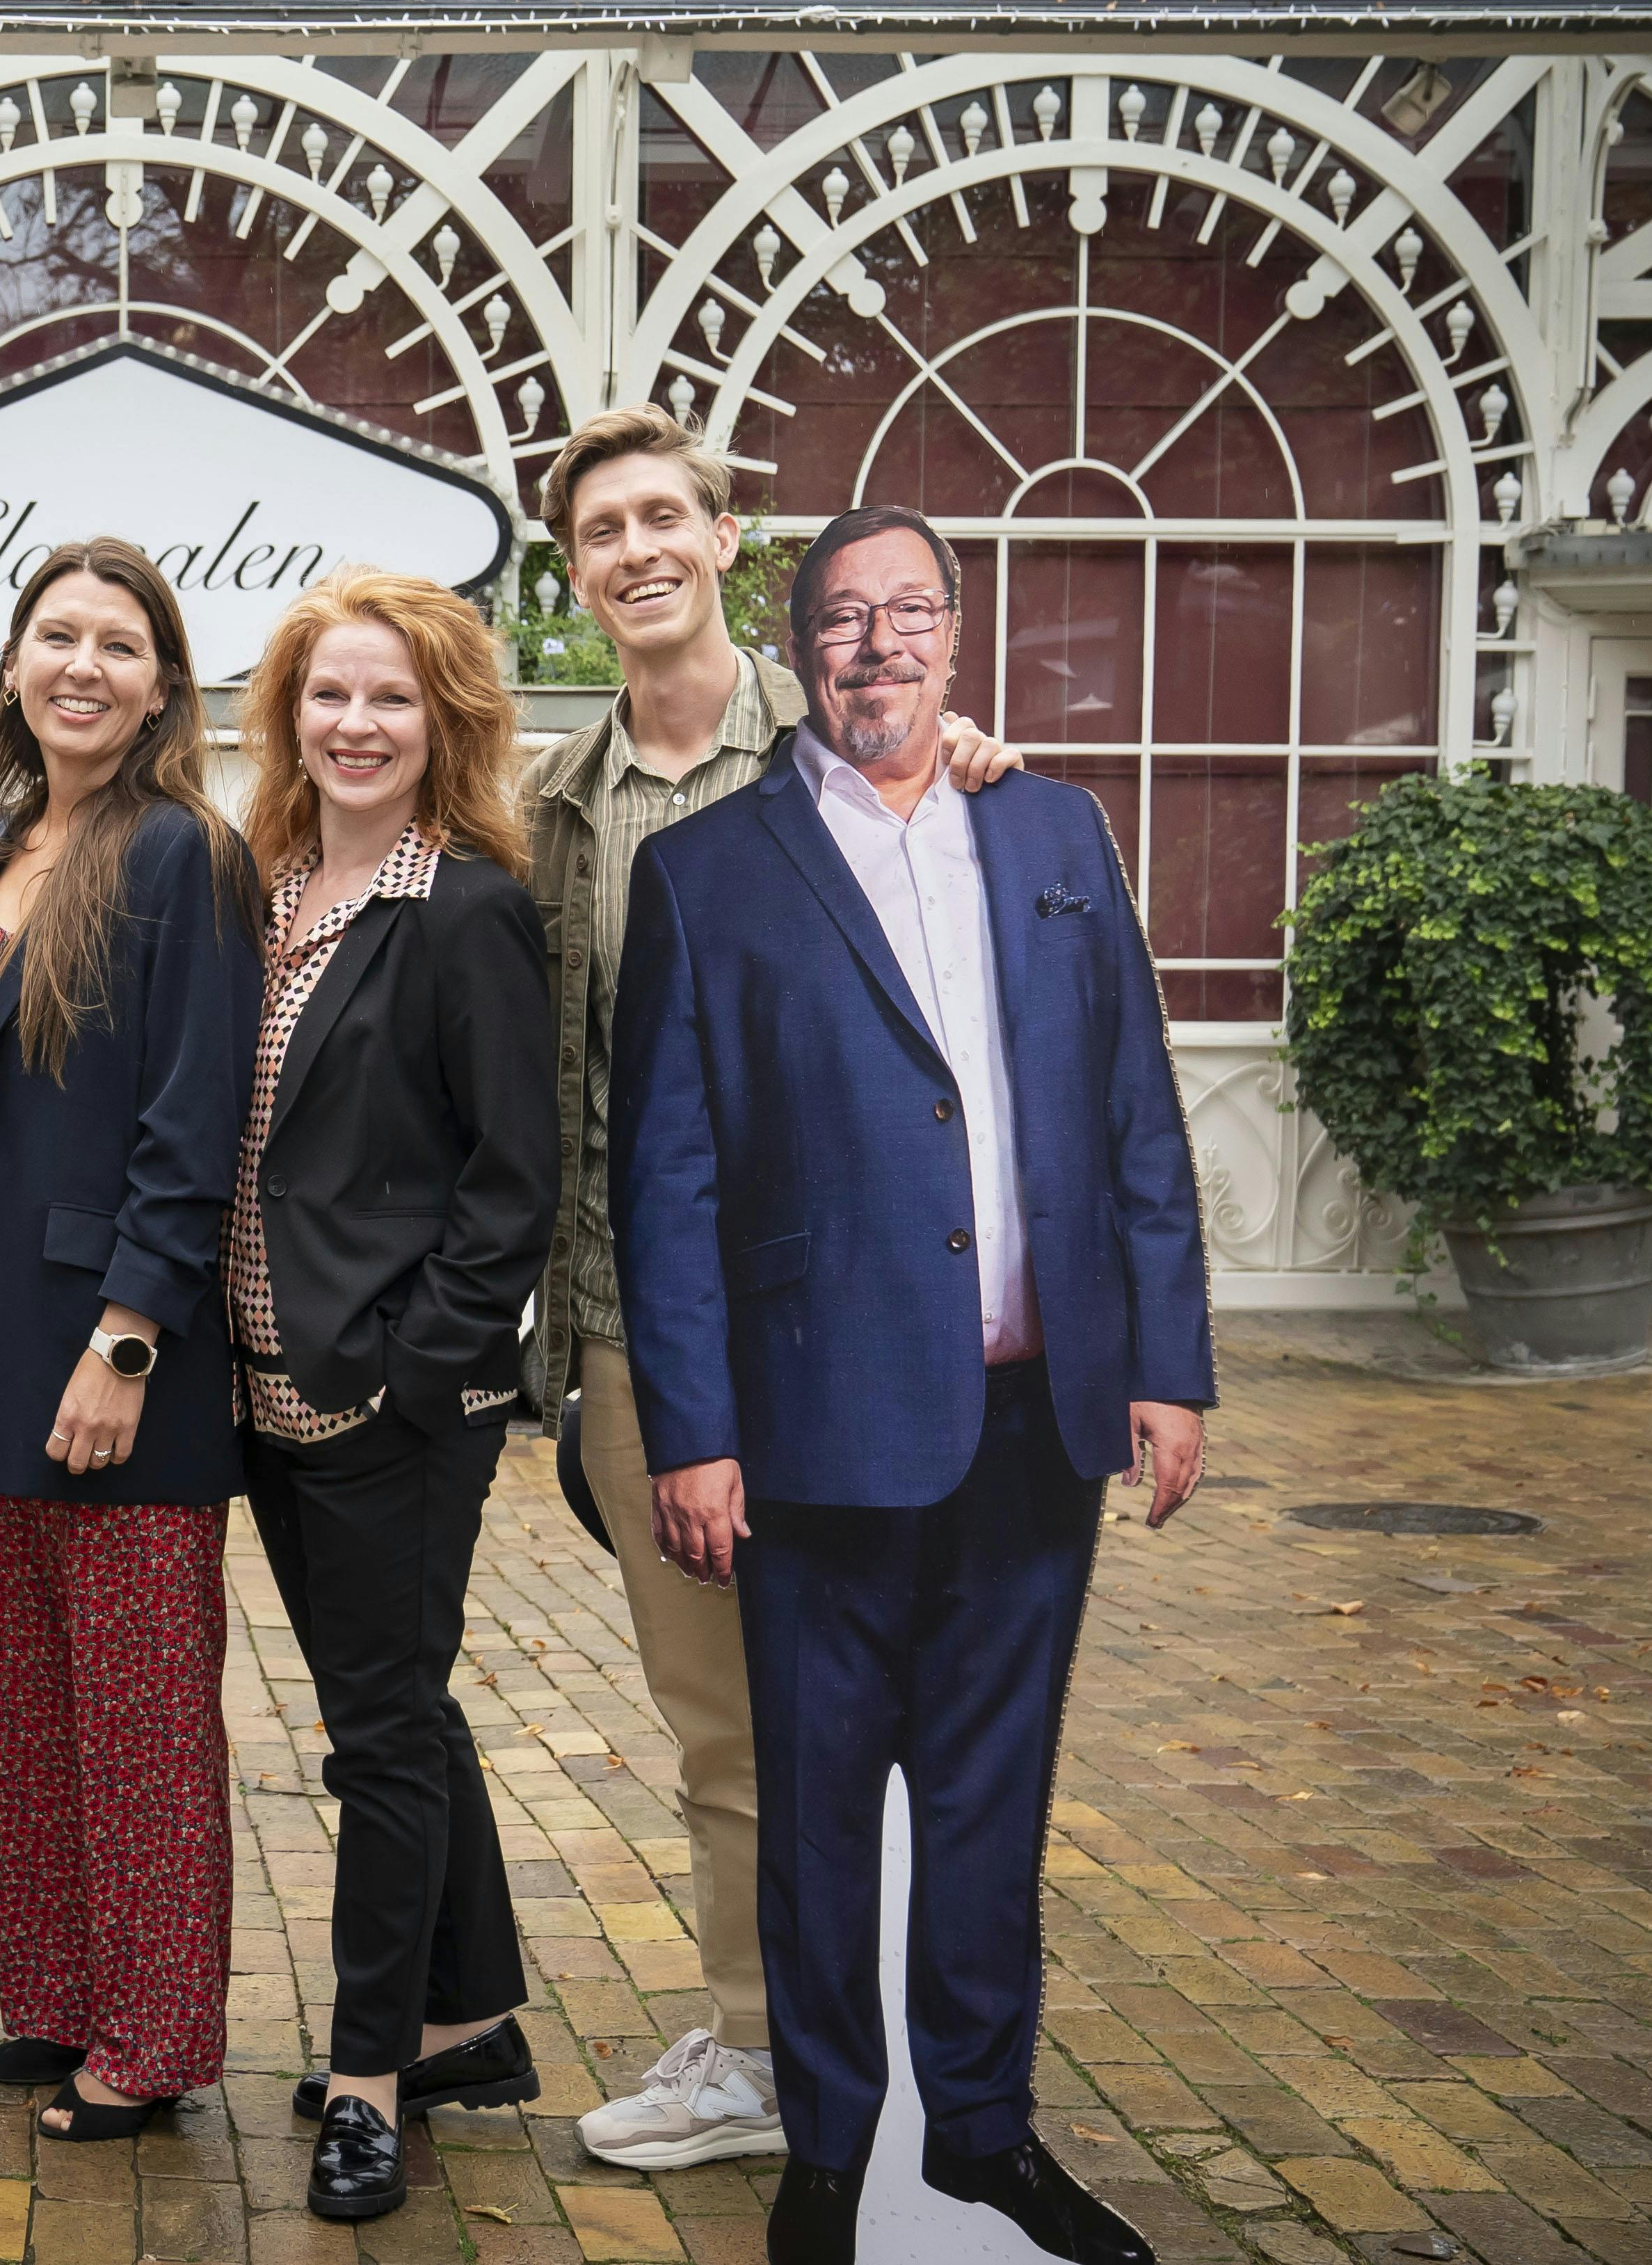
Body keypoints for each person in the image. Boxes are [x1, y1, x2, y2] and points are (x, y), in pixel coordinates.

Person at [609, 503, 1215, 2265]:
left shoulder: (1052, 830)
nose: (874, 644)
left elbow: (1132, 1116)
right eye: (839, 619)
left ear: (955, 634)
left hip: (1041, 1417)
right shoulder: (705, 873)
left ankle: (980, 2133)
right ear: (798, 651)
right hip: (812, 1424)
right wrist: (693, 1429)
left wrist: (1164, 1364)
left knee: (986, 1801)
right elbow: (670, 1179)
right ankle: (828, 2142)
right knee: (811, 1810)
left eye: (907, 613)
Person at [518, 406, 1016, 2172]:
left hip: (846, 1332)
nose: (637, 548)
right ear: (572, 571)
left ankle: (854, 2050)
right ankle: (761, 2037)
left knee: (881, 1714)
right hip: (639, 1332)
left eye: (667, 515)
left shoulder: (863, 755)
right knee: (722, 1716)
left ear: (726, 539)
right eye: (602, 530)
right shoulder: (556, 809)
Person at [224, 572, 557, 2223]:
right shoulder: (265, 882)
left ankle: (368, 2077)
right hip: (258, 1395)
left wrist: (410, 1380)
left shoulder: (467, 908)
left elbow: (510, 1181)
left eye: (391, 700)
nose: (354, 726)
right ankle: (464, 2019)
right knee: (405, 1709)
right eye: (327, 695)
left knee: (372, 1736)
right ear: (287, 714)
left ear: (445, 723)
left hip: (381, 1407)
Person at [0, 538, 262, 2145]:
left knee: (136, 1717)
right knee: (29, 1696)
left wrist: (126, 1339)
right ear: (9, 664)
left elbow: (197, 1123)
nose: (81, 664)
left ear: (161, 681)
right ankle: (54, 1999)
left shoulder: (180, 852)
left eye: (116, 644)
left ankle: (153, 2034)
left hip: (114, 1353)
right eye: (53, 634)